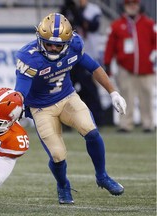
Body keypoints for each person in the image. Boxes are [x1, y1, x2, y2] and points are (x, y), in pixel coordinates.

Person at [14, 13, 126, 204]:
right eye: (48, 43)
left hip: (67, 98)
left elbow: (94, 67)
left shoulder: (74, 45)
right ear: (39, 39)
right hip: (41, 108)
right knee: (57, 155)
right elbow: (20, 92)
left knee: (91, 131)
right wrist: (15, 111)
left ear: (67, 41)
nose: (53, 48)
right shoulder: (29, 58)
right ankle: (63, 185)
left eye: (58, 45)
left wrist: (113, 92)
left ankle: (102, 176)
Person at [103, 0, 156, 133]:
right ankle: (125, 124)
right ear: (125, 6)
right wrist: (107, 63)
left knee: (147, 97)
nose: (132, 7)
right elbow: (110, 46)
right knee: (126, 97)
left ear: (139, 6)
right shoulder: (117, 25)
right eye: (129, 4)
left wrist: (154, 54)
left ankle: (148, 123)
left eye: (134, 4)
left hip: (146, 68)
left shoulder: (148, 23)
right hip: (125, 68)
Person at [60, 0, 104, 127]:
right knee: (66, 89)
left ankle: (97, 119)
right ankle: (65, 121)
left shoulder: (93, 10)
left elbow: (91, 26)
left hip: (86, 54)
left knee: (90, 89)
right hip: (69, 56)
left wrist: (76, 12)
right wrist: (65, 11)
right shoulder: (67, 9)